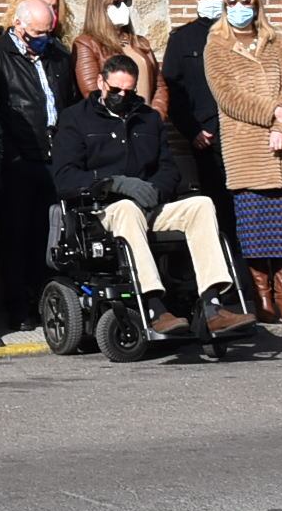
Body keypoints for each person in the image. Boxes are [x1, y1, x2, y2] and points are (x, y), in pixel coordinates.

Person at [50, 50, 253, 339]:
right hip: (103, 211)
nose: (122, 95)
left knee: (201, 204)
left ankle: (212, 304)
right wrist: (113, 183)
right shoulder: (75, 119)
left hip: (150, 205)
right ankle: (155, 307)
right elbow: (65, 178)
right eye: (115, 89)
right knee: (126, 209)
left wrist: (156, 189)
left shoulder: (148, 119)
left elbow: (169, 168)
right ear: (100, 82)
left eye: (128, 91)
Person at [204, 0, 282, 323]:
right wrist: (271, 114)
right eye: (234, 1)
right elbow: (228, 97)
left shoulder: (276, 39)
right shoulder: (216, 45)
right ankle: (263, 299)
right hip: (246, 148)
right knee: (254, 230)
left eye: (247, 1)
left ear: (257, 5)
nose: (240, 7)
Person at [0, 0, 77, 333]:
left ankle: (50, 300)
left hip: (55, 158)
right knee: (17, 237)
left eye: (47, 32)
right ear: (17, 25)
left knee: (52, 236)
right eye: (36, 33)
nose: (43, 40)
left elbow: (69, 102)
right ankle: (19, 306)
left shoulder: (58, 56)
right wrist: (9, 156)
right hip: (20, 159)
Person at [161, 0, 236, 246]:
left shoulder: (240, 32)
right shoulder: (183, 38)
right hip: (206, 140)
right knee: (219, 211)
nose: (210, 1)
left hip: (244, 136)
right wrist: (193, 131)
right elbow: (172, 88)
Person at [72, 0, 160, 115]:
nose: (123, 7)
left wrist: (156, 116)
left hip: (146, 123)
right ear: (100, 7)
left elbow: (159, 86)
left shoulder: (140, 43)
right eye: (117, 3)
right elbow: (92, 91)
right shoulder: (87, 43)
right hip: (113, 124)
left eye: (125, 2)